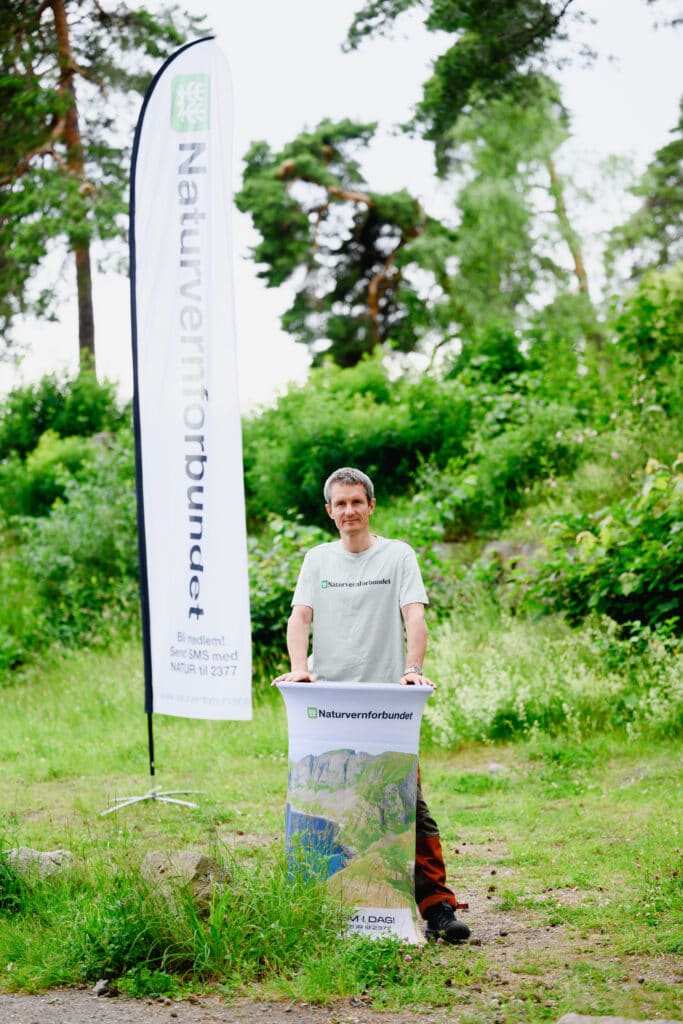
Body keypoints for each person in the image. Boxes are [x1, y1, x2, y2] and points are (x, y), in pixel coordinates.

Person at [274, 466, 470, 943]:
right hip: (331, 699)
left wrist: (413, 667)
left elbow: (414, 615)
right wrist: (300, 667)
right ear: (329, 511)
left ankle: (438, 907)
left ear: (371, 506)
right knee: (315, 802)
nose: (348, 512)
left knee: (409, 802)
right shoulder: (318, 560)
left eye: (356, 502)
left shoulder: (397, 556)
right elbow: (300, 617)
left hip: (385, 700)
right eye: (339, 504)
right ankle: (322, 906)